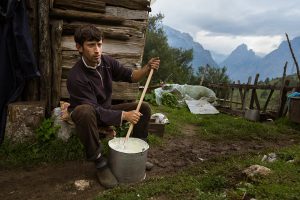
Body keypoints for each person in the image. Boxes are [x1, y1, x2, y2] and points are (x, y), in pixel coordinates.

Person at [67, 24, 160, 188]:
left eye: (99, 44)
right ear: (79, 48)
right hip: (89, 117)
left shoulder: (106, 62)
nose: (97, 50)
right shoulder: (76, 76)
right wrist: (124, 115)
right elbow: (94, 109)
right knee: (84, 111)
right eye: (91, 45)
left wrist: (147, 67)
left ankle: (135, 155)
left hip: (106, 111)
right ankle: (100, 163)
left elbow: (132, 76)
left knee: (143, 107)